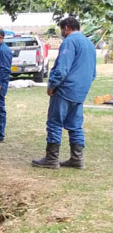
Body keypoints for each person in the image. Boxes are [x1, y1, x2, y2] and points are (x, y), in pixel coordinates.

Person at [32, 17, 97, 169]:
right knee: (75, 125)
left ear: (66, 27)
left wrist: (52, 85)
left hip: (65, 89)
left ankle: (51, 159)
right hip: (80, 91)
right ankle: (77, 159)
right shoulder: (89, 44)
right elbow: (93, 73)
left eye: (61, 29)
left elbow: (62, 68)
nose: (61, 33)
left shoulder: (70, 42)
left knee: (54, 123)